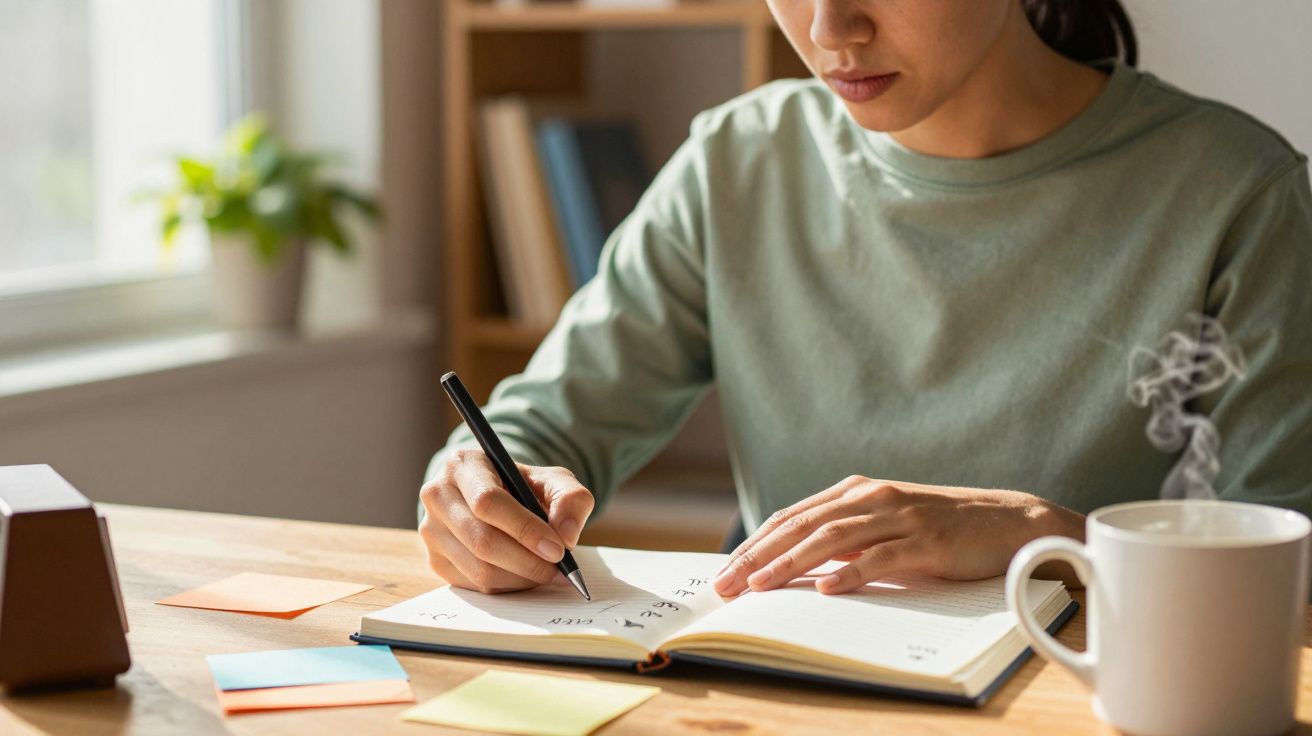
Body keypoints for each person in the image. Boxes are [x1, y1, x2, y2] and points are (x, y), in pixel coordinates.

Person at [419, 0, 1312, 598]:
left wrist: (1054, 537)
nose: (828, 26)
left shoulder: (1241, 197)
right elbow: (537, 429)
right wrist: (480, 494)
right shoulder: (738, 163)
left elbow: (1287, 576)